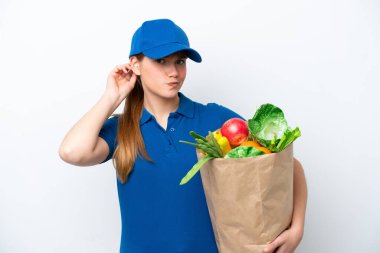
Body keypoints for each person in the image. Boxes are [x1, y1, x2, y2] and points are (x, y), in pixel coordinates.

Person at [59, 18, 307, 253]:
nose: (174, 72)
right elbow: (72, 152)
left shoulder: (214, 119)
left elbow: (287, 165)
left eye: (179, 61)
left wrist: (296, 229)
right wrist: (112, 96)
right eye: (161, 61)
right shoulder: (122, 129)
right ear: (135, 65)